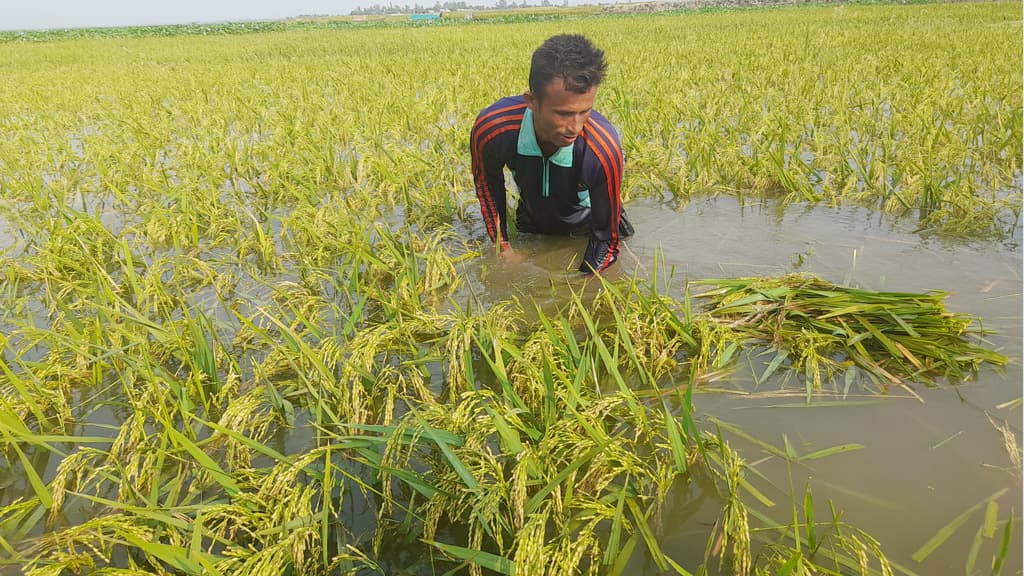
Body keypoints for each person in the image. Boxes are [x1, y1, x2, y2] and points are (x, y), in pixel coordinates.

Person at [470, 34, 634, 274]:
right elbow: (487, 186)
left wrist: (585, 288)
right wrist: (503, 249)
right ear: (532, 101)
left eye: (585, 111)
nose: (575, 127)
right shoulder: (495, 129)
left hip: (589, 226)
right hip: (533, 223)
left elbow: (606, 240)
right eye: (564, 114)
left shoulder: (602, 146)